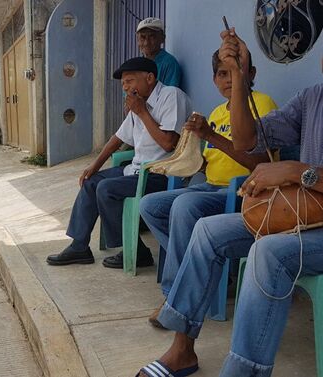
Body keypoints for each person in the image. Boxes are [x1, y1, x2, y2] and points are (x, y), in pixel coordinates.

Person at [136, 30, 323, 377]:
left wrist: (299, 171)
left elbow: (283, 166)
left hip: (316, 229)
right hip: (299, 214)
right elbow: (246, 139)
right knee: (208, 230)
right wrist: (238, 75)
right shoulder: (313, 98)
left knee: (267, 253)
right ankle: (182, 351)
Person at [138, 49, 276, 327]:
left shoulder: (261, 105)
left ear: (251, 75)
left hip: (244, 192)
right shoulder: (215, 112)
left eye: (235, 73)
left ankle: (174, 297)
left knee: (185, 205)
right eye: (222, 74)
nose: (228, 80)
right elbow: (210, 161)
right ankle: (200, 269)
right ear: (214, 79)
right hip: (212, 187)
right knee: (150, 205)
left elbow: (261, 162)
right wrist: (185, 155)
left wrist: (211, 135)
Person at [46, 57, 191, 268]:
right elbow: (118, 138)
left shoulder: (171, 96)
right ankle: (79, 247)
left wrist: (142, 112)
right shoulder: (138, 102)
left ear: (150, 78)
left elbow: (169, 143)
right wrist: (93, 166)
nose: (126, 88)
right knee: (92, 182)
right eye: (123, 83)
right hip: (137, 171)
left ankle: (137, 251)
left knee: (107, 189)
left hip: (162, 174)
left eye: (130, 81)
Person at [137, 17, 182, 88]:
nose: (146, 43)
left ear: (162, 38)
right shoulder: (137, 65)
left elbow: (170, 95)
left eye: (152, 37)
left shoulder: (169, 63)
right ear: (138, 40)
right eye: (142, 37)